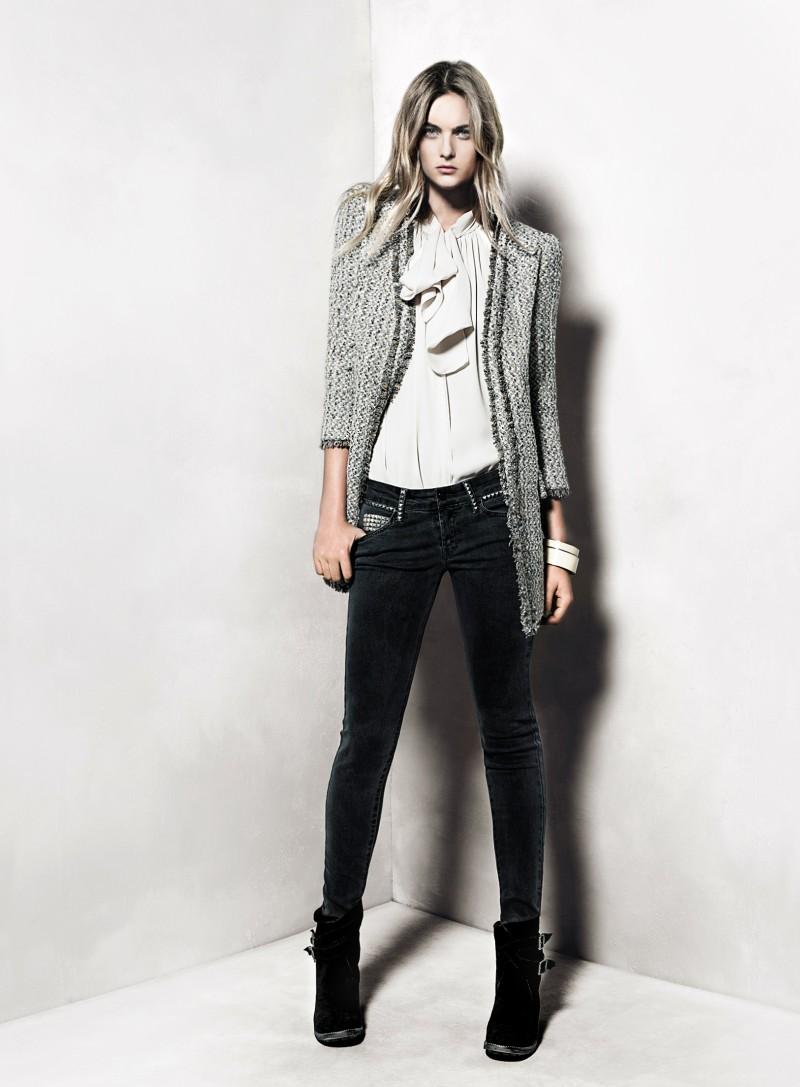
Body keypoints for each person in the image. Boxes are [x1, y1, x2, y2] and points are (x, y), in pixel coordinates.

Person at [303, 59, 579, 1061]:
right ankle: (336, 943)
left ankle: (518, 962)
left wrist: (557, 542)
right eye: (432, 130)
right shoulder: (366, 229)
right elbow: (343, 374)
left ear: (483, 140)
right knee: (365, 737)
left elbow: (542, 403)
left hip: (491, 510)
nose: (447, 147)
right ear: (412, 138)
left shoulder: (528, 256)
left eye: (463, 130)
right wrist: (330, 515)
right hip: (387, 512)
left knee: (511, 734)